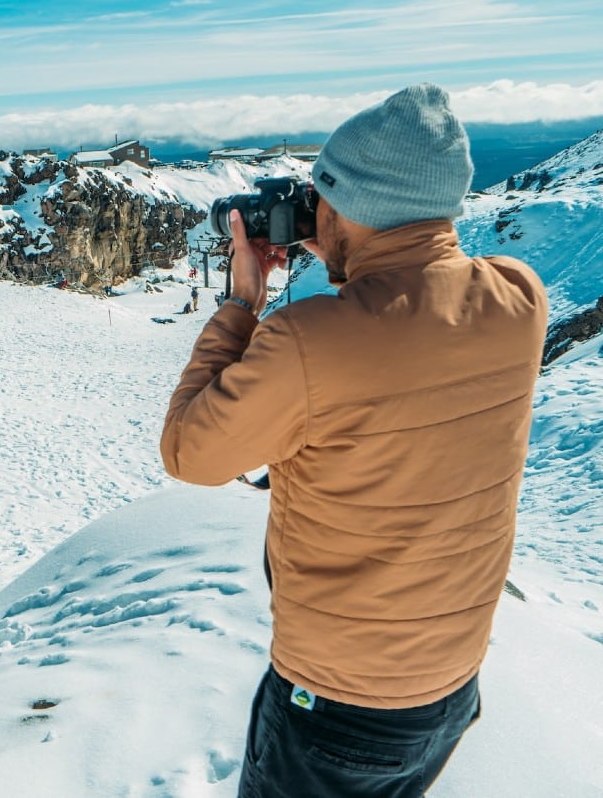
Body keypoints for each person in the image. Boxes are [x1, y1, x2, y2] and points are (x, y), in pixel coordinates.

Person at [160, 84, 548, 798]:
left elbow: (191, 453)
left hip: (338, 708)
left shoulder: (307, 340)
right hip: (449, 687)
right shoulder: (519, 297)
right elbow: (411, 326)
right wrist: (347, 242)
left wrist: (243, 303)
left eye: (322, 200)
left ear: (351, 206)